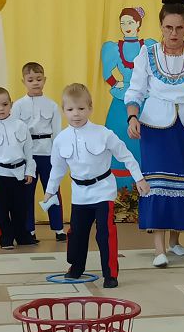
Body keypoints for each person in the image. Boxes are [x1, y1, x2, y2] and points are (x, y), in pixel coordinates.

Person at [125, 0, 184, 268]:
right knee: (157, 184)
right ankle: (159, 249)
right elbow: (135, 90)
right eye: (168, 27)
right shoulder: (147, 53)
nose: (173, 33)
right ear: (161, 26)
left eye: (179, 28)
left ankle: (175, 241)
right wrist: (132, 117)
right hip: (154, 128)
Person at [43, 84, 150, 289]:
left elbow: (126, 156)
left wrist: (139, 179)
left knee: (105, 233)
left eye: (81, 108)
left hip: (103, 191)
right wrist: (49, 192)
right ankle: (76, 268)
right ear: (63, 110)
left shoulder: (104, 134)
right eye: (70, 109)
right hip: (79, 194)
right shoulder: (60, 140)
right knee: (77, 233)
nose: (76, 114)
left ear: (90, 108)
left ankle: (110, 274)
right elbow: (57, 169)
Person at [100, 7, 156, 190]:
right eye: (123, 23)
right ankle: (121, 190)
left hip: (144, 100)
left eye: (130, 22)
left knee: (144, 142)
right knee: (119, 137)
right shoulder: (113, 48)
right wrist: (116, 83)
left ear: (138, 23)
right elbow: (107, 73)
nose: (126, 26)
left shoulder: (149, 45)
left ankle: (145, 184)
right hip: (120, 100)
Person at [10, 62, 65, 241]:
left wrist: (58, 156)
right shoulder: (18, 106)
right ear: (23, 81)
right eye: (30, 79)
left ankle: (58, 229)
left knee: (52, 190)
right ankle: (29, 230)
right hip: (28, 155)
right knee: (27, 193)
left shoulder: (52, 105)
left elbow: (57, 132)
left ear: (44, 80)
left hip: (48, 153)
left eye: (39, 79)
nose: (35, 83)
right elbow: (15, 132)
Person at [0, 87, 39, 250]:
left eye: (5, 104)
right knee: (2, 210)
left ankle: (22, 236)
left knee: (20, 208)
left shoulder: (21, 126)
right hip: (0, 175)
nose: (1, 108)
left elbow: (29, 151)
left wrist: (29, 171)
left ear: (11, 104)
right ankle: (6, 238)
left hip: (19, 174)